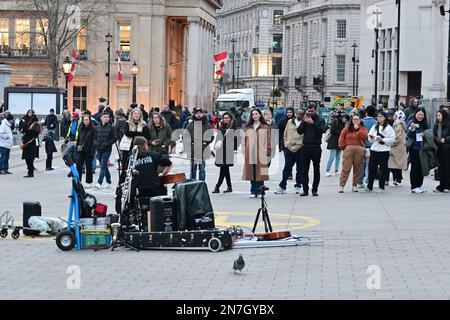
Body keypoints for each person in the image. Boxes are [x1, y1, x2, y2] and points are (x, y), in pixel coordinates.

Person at [297, 104, 327, 197]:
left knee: (316, 169)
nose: (310, 113)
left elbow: (322, 130)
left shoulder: (320, 119)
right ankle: (305, 190)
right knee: (304, 170)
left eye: (312, 111)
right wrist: (304, 121)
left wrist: (312, 123)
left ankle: (315, 189)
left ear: (316, 110)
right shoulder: (305, 119)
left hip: (316, 147)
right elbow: (299, 131)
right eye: (309, 111)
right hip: (305, 146)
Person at [363, 112, 396, 193]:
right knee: (371, 169)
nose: (379, 118)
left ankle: (381, 186)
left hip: (384, 151)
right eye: (378, 116)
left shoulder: (389, 128)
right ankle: (369, 186)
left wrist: (382, 139)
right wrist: (372, 138)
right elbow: (370, 138)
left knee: (383, 169)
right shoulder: (374, 127)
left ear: (385, 117)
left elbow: (392, 140)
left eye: (381, 116)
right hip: (374, 150)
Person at [242, 108, 271, 198]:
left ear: (260, 115)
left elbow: (268, 139)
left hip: (261, 152)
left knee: (260, 172)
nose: (254, 116)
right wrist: (244, 150)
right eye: (253, 114)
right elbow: (244, 140)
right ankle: (253, 190)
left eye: (256, 114)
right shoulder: (248, 127)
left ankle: (260, 191)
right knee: (252, 172)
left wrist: (268, 150)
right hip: (250, 152)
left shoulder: (265, 126)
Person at [275, 108, 305, 195]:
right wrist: (286, 144)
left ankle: (298, 186)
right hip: (289, 148)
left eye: (301, 114)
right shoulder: (290, 122)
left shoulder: (305, 123)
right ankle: (282, 186)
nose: (299, 115)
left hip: (300, 148)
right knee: (287, 168)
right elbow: (285, 134)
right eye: (298, 113)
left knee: (300, 168)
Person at [338, 115, 368, 193]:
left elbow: (365, 137)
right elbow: (341, 137)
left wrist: (358, 129)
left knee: (358, 169)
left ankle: (354, 185)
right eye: (354, 119)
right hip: (348, 149)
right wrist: (343, 146)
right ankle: (341, 186)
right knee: (346, 168)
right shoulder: (347, 128)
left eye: (357, 119)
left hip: (359, 149)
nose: (355, 120)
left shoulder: (363, 128)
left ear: (360, 120)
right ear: (351, 120)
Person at [119, 108, 151, 175]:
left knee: (138, 166)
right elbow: (127, 133)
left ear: (140, 115)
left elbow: (147, 136)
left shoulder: (143, 124)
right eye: (135, 113)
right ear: (132, 114)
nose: (137, 115)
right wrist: (139, 133)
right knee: (125, 166)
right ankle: (122, 182)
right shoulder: (127, 123)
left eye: (138, 113)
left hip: (140, 148)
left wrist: (134, 133)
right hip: (128, 148)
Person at [186, 108, 213, 181]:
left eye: (200, 113)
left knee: (202, 170)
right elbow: (186, 136)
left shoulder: (207, 124)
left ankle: (201, 185)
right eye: (197, 113)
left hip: (203, 150)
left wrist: (206, 142)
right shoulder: (190, 125)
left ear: (203, 114)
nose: (198, 114)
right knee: (193, 170)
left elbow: (211, 136)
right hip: (193, 150)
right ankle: (192, 185)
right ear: (194, 114)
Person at [212, 112, 236, 194]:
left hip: (228, 151)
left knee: (223, 169)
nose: (225, 119)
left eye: (227, 118)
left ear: (230, 118)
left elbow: (235, 141)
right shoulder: (222, 127)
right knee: (225, 169)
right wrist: (215, 147)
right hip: (220, 151)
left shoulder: (233, 128)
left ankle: (217, 186)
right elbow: (218, 138)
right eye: (224, 117)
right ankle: (229, 186)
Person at [94, 112, 116, 189]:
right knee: (104, 166)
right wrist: (96, 144)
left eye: (107, 117)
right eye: (104, 117)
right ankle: (109, 181)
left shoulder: (111, 127)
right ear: (101, 118)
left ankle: (99, 182)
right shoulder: (97, 127)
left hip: (107, 149)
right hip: (98, 149)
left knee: (102, 165)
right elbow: (94, 138)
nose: (106, 118)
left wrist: (108, 143)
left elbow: (114, 138)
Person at [357, 106, 378, 188]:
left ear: (366, 113)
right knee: (370, 165)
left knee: (361, 164)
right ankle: (368, 179)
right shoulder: (376, 122)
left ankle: (360, 181)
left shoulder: (361, 122)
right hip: (373, 146)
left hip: (362, 145)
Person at [388, 111, 407, 187]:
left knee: (395, 165)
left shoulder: (398, 125)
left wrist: (391, 143)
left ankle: (398, 180)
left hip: (397, 147)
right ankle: (397, 180)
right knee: (396, 165)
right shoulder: (398, 123)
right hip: (399, 147)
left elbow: (397, 137)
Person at [76, 115, 96, 187]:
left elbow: (94, 141)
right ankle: (78, 181)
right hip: (81, 151)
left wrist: (92, 151)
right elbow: (78, 139)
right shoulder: (80, 128)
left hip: (89, 150)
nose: (86, 121)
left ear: (89, 120)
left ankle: (89, 182)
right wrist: (76, 149)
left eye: (87, 120)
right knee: (79, 166)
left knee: (89, 167)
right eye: (84, 120)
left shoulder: (93, 129)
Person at [433, 109, 450, 193]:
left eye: (439, 115)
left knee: (447, 167)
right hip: (439, 148)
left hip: (447, 148)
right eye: (437, 115)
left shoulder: (448, 124)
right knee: (440, 167)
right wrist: (436, 139)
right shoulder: (436, 124)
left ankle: (447, 186)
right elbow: (434, 134)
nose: (438, 117)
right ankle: (441, 185)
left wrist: (445, 139)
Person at [325, 106, 345, 177]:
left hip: (340, 141)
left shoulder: (343, 122)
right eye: (342, 115)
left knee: (338, 156)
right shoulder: (335, 120)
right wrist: (341, 133)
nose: (344, 117)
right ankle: (327, 170)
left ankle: (336, 170)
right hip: (333, 140)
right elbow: (332, 130)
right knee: (332, 156)